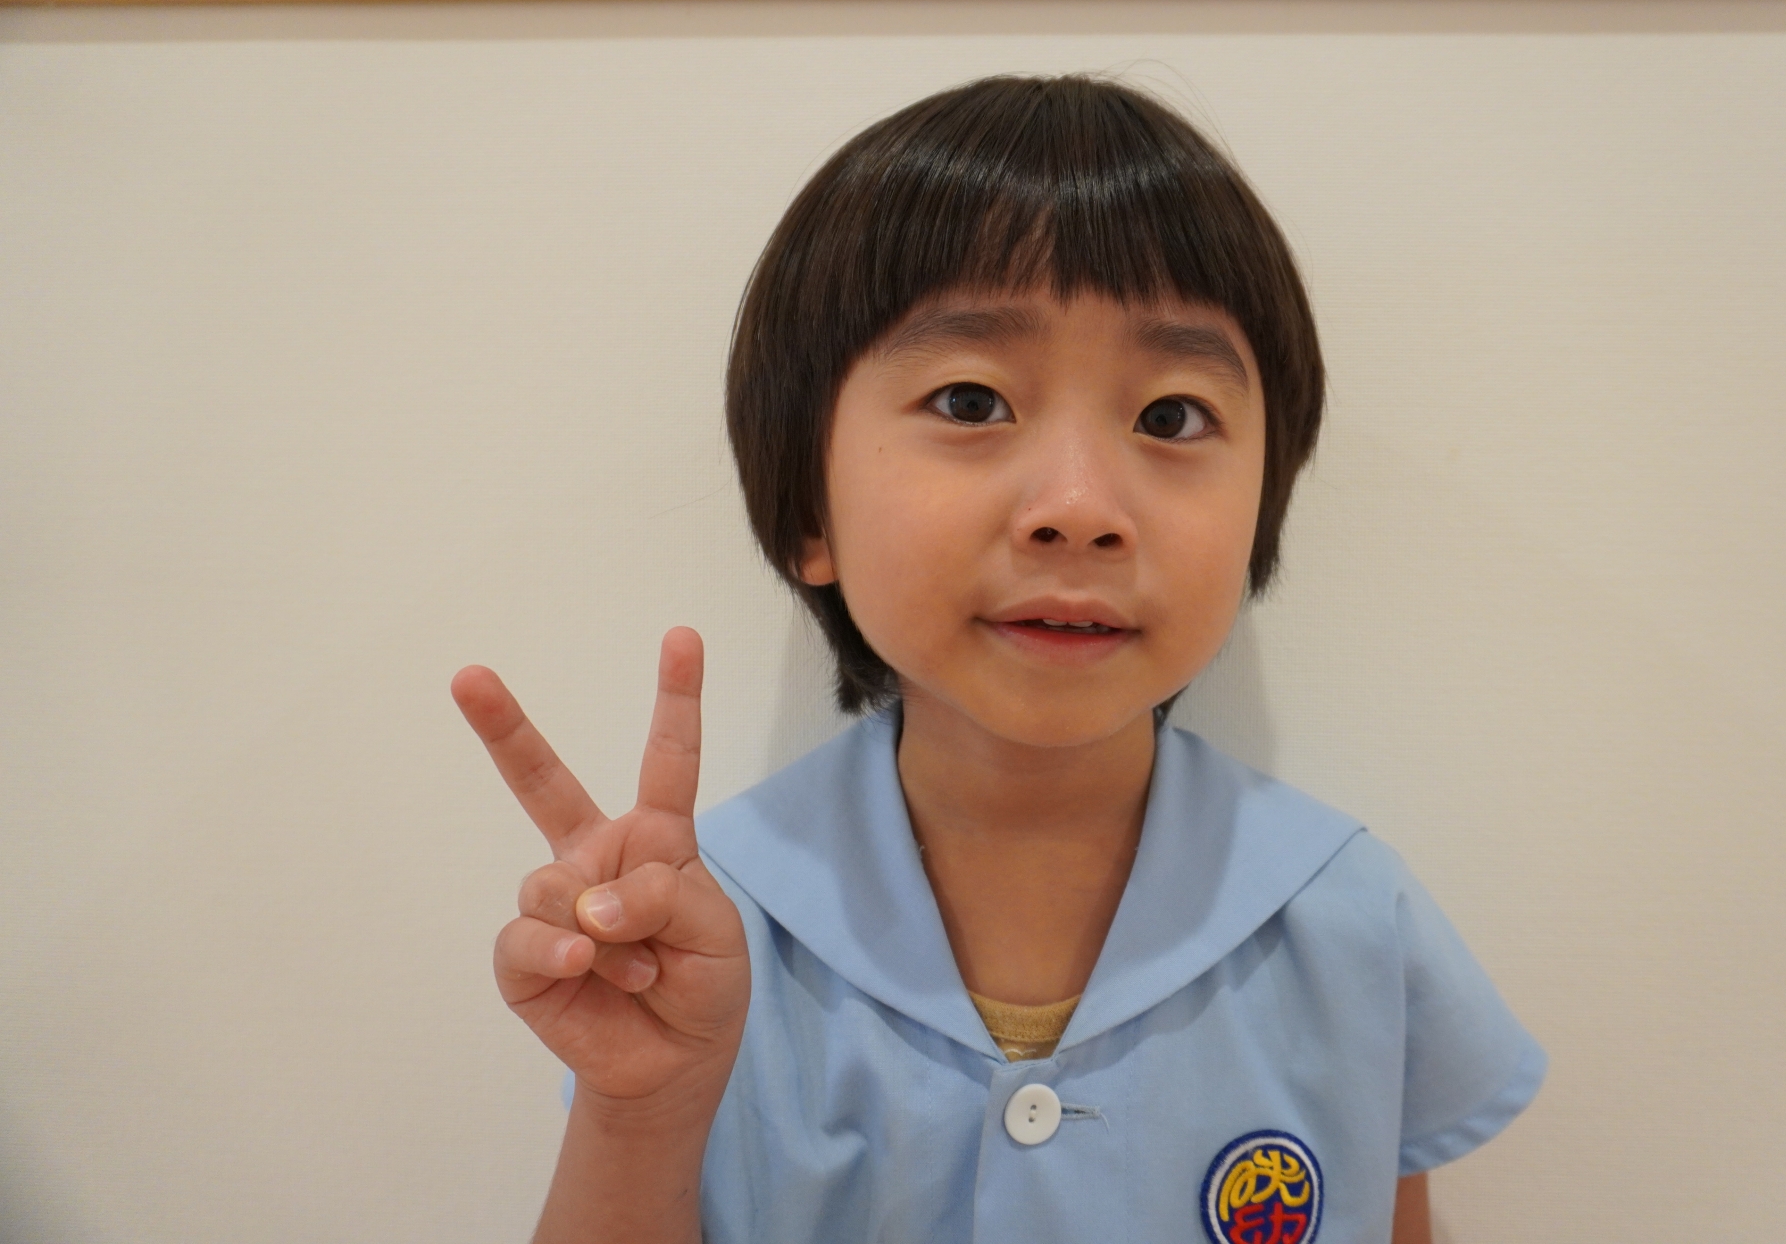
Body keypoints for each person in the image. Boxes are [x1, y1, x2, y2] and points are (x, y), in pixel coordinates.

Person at [451, 74, 1545, 1244]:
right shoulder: (691, 931)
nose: (1076, 508)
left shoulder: (1350, 922)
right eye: (970, 400)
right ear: (809, 506)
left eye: (1170, 416)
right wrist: (638, 1114)